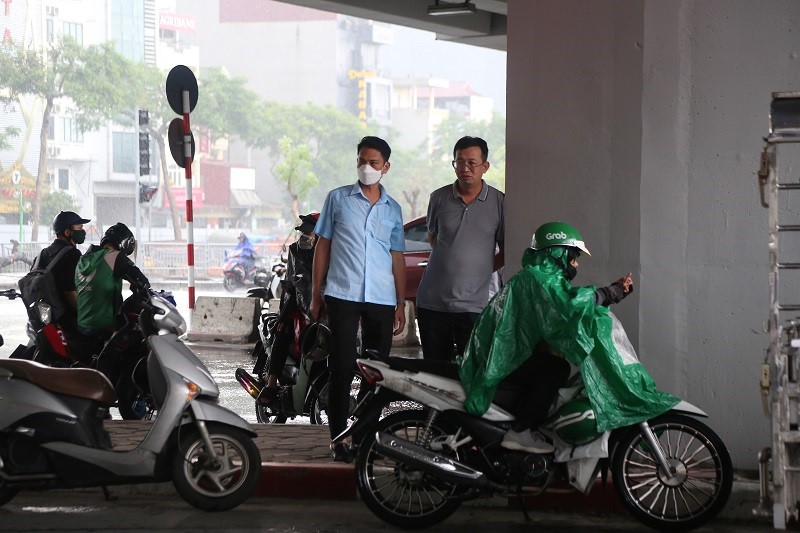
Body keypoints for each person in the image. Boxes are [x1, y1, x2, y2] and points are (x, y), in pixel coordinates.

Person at [459, 221, 678, 454]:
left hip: (504, 353)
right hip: (499, 358)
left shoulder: (539, 277)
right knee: (557, 369)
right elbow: (570, 306)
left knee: (553, 367)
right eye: (573, 257)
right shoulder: (539, 278)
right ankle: (521, 431)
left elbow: (556, 317)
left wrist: (609, 296)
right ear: (557, 252)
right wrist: (610, 293)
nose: (575, 264)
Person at [310, 135, 406, 462]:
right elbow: (322, 246)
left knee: (378, 370)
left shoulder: (393, 210)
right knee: (342, 366)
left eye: (374, 163)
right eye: (362, 161)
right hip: (342, 293)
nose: (366, 167)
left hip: (381, 296)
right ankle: (338, 439)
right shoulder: (337, 200)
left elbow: (396, 257)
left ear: (386, 167)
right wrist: (315, 293)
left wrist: (400, 302)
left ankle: (364, 435)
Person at [416, 136, 504, 361]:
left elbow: (504, 250)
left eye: (472, 163)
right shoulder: (438, 198)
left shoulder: (499, 202)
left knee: (471, 370)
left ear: (485, 166)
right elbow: (434, 238)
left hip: (473, 306)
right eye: (459, 162)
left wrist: (480, 270)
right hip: (432, 302)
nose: (465, 168)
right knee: (435, 372)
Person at [255, 212, 320, 406]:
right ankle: (272, 383)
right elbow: (292, 280)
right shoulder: (295, 249)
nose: (305, 237)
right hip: (296, 305)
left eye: (310, 233)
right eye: (304, 233)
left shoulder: (331, 250)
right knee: (283, 332)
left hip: (323, 305)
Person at [75, 222, 150, 337]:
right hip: (104, 326)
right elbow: (143, 282)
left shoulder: (83, 259)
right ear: (125, 243)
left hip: (82, 325)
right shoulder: (114, 256)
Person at [31, 211, 90, 339]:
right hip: (67, 320)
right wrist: (85, 315)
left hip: (46, 318)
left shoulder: (42, 254)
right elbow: (70, 291)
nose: (83, 231)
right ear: (68, 232)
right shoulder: (72, 254)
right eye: (79, 228)